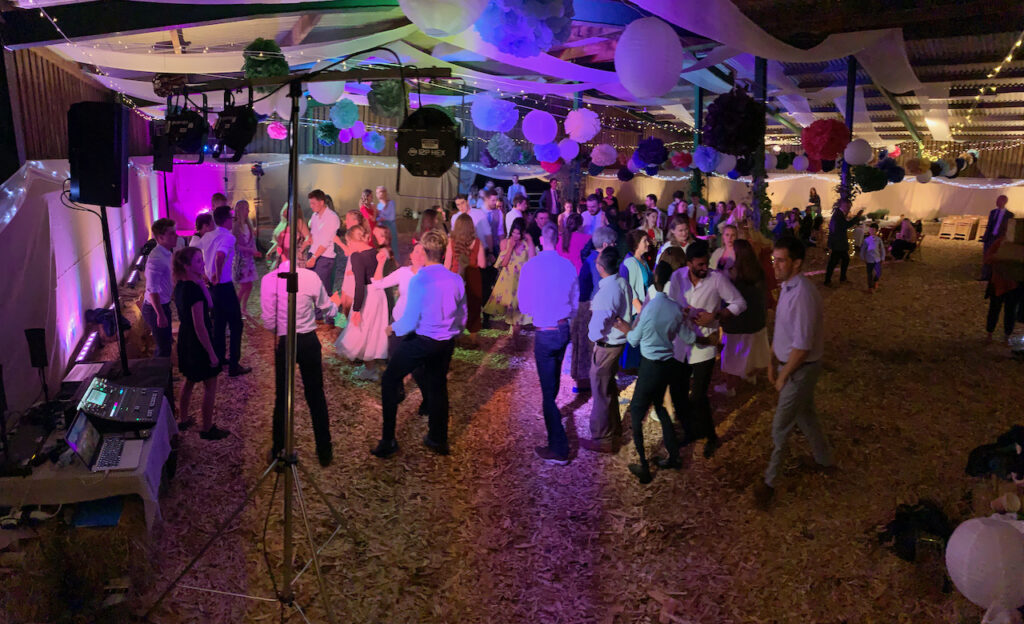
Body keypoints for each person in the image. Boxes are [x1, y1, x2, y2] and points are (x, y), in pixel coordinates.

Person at [754, 236, 834, 510]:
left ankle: (769, 483)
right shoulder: (788, 287)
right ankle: (825, 461)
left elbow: (801, 347)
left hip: (801, 370)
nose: (774, 265)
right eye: (773, 259)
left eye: (781, 260)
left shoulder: (803, 295)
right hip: (792, 366)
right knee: (806, 416)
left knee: (781, 426)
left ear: (797, 263)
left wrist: (783, 375)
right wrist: (772, 361)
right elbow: (784, 333)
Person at [372, 230, 467, 459]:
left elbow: (410, 320)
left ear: (425, 252)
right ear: (443, 252)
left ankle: (388, 440)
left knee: (389, 379)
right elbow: (462, 317)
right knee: (438, 387)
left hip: (423, 340)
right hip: (445, 343)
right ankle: (438, 439)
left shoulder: (420, 280)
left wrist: (392, 328)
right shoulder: (456, 279)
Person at [261, 229, 340, 466]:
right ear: (300, 249)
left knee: (282, 398)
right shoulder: (311, 277)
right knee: (315, 395)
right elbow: (327, 308)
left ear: (279, 250)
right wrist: (334, 306)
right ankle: (324, 452)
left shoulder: (268, 280)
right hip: (308, 341)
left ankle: (278, 452)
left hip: (285, 342)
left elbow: (268, 322)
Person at [667, 240, 746, 458]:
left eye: (706, 264)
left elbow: (739, 303)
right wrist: (684, 312)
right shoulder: (677, 277)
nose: (704, 269)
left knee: (699, 397)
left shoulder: (717, 279)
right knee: (678, 393)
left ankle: (711, 437)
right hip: (681, 345)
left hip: (704, 346)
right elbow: (672, 303)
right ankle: (691, 431)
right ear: (689, 262)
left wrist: (716, 315)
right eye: (700, 265)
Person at [614, 261, 692, 484]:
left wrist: (625, 329)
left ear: (655, 278)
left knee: (637, 414)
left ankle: (644, 467)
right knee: (660, 406)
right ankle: (674, 456)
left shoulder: (649, 309)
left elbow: (634, 340)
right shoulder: (675, 308)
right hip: (667, 365)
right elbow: (688, 337)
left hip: (650, 366)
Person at [518, 224, 579, 464]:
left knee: (546, 391)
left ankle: (558, 447)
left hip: (545, 331)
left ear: (542, 239)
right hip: (563, 329)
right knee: (551, 382)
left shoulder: (531, 266)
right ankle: (552, 412)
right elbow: (575, 299)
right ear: (558, 239)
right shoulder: (567, 265)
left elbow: (524, 306)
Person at [171, 246, 228, 440]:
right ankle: (207, 428)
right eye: (197, 261)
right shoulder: (193, 292)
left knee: (189, 379)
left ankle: (183, 419)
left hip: (185, 339)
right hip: (197, 342)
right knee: (210, 385)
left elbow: (210, 304)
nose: (202, 263)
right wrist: (211, 353)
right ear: (187, 266)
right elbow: (200, 326)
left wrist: (201, 282)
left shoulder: (181, 285)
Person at [580, 247, 632, 453]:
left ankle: (602, 438)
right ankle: (614, 428)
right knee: (608, 386)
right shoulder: (621, 282)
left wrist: (592, 336)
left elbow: (596, 330)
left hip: (606, 346)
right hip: (618, 344)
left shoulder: (606, 294)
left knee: (600, 391)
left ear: (600, 267)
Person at [716, 239, 770, 397]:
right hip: (758, 323)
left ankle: (730, 386)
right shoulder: (758, 272)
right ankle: (749, 375)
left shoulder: (736, 279)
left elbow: (730, 304)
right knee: (753, 353)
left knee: (731, 358)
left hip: (738, 327)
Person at [335, 225, 390, 378]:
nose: (349, 246)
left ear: (353, 240)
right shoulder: (375, 252)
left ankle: (369, 370)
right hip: (379, 294)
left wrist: (357, 309)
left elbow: (359, 284)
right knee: (373, 330)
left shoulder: (357, 257)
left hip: (367, 295)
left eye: (348, 242)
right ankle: (370, 367)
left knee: (363, 331)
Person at [204, 205, 251, 376]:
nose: (233, 220)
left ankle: (219, 359)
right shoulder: (228, 237)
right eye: (231, 218)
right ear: (225, 220)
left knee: (219, 324)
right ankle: (233, 365)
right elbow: (220, 256)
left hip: (212, 287)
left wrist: (208, 275)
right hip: (223, 285)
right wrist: (217, 273)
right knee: (236, 325)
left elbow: (204, 256)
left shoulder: (208, 236)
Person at [573, 226, 618, 395]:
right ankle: (595, 384)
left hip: (585, 308)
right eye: (614, 243)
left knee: (586, 349)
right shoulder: (598, 262)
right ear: (606, 244)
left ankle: (584, 383)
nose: (615, 246)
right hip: (593, 309)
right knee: (594, 349)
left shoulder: (589, 259)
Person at [483, 217, 535, 340]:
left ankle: (515, 337)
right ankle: (515, 337)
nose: (516, 235)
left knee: (518, 312)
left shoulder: (526, 244)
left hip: (522, 282)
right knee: (512, 313)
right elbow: (503, 263)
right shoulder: (505, 243)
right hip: (508, 282)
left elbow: (533, 260)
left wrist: (530, 240)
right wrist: (510, 247)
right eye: (514, 232)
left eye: (518, 233)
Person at [445, 213, 486, 344]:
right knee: (473, 305)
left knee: (454, 306)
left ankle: (455, 335)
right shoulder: (477, 243)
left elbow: (447, 264)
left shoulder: (451, 242)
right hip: (473, 276)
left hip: (455, 276)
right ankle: (473, 337)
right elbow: (482, 264)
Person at [142, 218, 177, 357]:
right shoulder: (156, 258)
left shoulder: (166, 253)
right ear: (160, 237)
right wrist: (160, 314)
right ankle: (159, 377)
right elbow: (152, 290)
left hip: (163, 304)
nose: (176, 236)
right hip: (155, 308)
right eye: (172, 234)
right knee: (163, 348)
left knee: (166, 343)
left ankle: (165, 375)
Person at [619, 230, 653, 371]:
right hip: (637, 310)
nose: (648, 243)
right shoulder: (630, 263)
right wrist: (639, 309)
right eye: (645, 240)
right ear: (636, 244)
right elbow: (630, 288)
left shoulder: (643, 261)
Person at [306, 189, 341, 314]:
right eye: (310, 203)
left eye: (313, 203)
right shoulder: (314, 216)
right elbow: (313, 235)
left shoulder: (331, 217)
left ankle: (328, 316)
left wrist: (314, 258)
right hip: (313, 253)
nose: (311, 206)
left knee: (323, 288)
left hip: (324, 257)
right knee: (313, 287)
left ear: (321, 202)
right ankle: (318, 315)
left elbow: (325, 242)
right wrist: (305, 243)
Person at [824, 199, 864, 286]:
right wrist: (857, 217)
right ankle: (829, 280)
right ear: (844, 205)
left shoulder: (838, 213)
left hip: (838, 243)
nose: (849, 208)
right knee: (834, 262)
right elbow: (846, 225)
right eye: (848, 206)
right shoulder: (838, 215)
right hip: (838, 243)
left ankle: (840, 278)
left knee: (843, 260)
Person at [231, 200, 260, 316]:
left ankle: (243, 308)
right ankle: (236, 308)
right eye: (246, 209)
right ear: (240, 210)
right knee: (244, 286)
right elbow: (236, 245)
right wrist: (250, 250)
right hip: (241, 260)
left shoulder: (248, 224)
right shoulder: (236, 226)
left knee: (250, 285)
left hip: (249, 260)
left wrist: (255, 251)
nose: (248, 211)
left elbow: (251, 241)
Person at [981, 196, 1014, 280]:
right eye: (997, 200)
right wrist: (985, 236)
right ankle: (985, 275)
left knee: (996, 257)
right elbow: (989, 225)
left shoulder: (1009, 214)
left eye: (999, 201)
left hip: (1000, 238)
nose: (997, 202)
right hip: (990, 237)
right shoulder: (993, 212)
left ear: (1004, 202)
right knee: (986, 256)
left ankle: (994, 277)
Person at [860, 222, 885, 293]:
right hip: (869, 260)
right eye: (871, 230)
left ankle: (875, 281)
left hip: (877, 259)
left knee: (878, 272)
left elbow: (882, 249)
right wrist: (863, 257)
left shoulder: (879, 240)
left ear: (876, 231)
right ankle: (870, 287)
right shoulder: (866, 240)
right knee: (869, 274)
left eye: (873, 230)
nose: (872, 231)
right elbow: (863, 249)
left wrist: (882, 258)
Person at [376, 186, 399, 260]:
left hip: (390, 227)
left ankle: (395, 262)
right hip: (382, 228)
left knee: (393, 245)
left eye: (382, 192)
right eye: (378, 192)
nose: (380, 194)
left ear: (385, 193)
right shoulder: (379, 205)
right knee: (383, 245)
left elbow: (392, 217)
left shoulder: (391, 203)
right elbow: (377, 217)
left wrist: (382, 218)